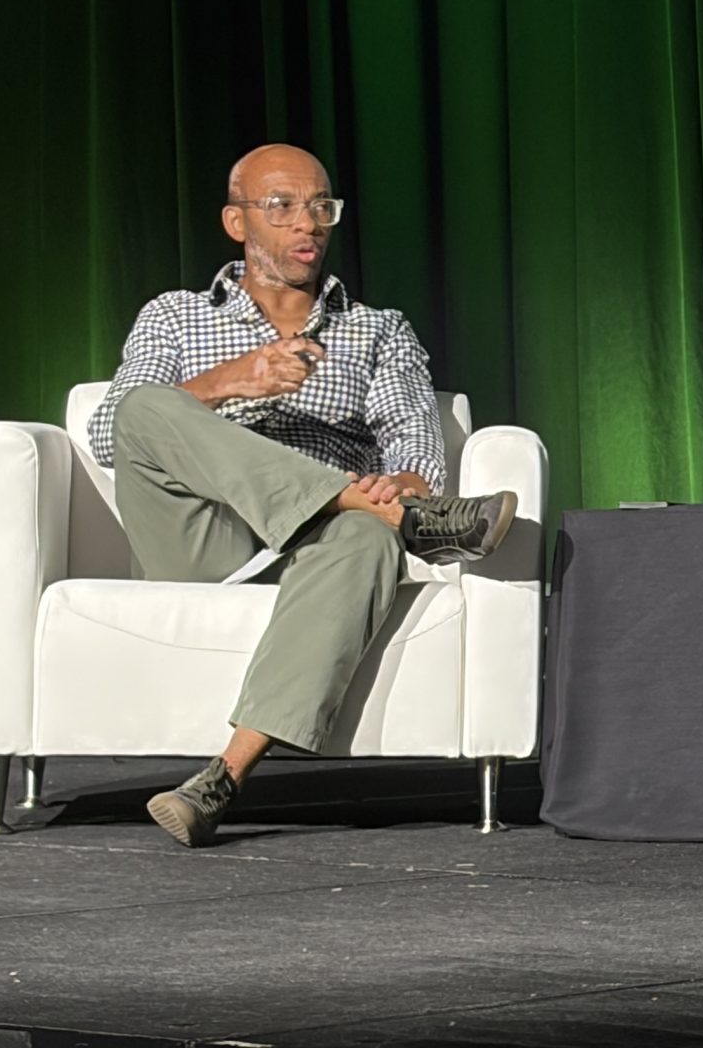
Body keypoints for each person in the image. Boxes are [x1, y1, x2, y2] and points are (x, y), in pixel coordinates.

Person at [89, 145, 518, 849]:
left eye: (321, 206)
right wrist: (230, 381)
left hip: (319, 549)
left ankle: (219, 780)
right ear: (237, 222)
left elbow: (413, 445)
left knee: (369, 531)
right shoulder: (175, 315)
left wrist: (404, 488)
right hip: (203, 539)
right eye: (282, 206)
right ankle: (387, 515)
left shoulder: (376, 329)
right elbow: (111, 434)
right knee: (145, 406)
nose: (308, 224)